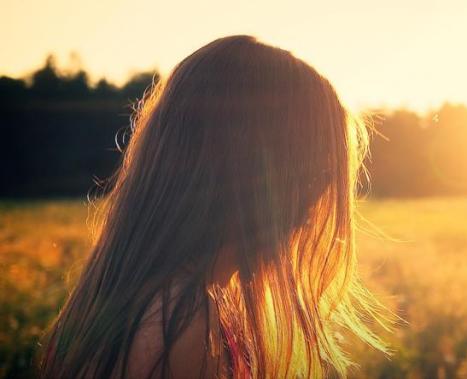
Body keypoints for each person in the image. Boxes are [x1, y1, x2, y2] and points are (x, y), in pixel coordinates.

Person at [41, 35, 390, 379]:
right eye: (318, 171)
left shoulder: (123, 301)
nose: (317, 204)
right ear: (258, 175)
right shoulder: (179, 328)